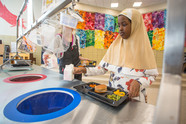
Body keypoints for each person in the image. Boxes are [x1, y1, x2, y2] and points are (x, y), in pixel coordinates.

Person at [73, 8, 158, 102]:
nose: (120, 28)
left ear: (135, 25)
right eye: (119, 25)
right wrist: (84, 69)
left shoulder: (143, 49)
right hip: (113, 98)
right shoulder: (115, 46)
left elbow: (152, 76)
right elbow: (102, 68)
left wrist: (139, 82)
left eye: (124, 24)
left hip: (134, 100)